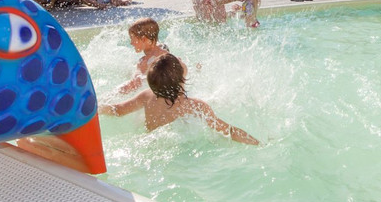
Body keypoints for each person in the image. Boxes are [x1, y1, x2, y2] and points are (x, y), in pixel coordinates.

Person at [99, 53, 260, 143]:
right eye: (180, 61)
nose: (182, 59)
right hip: (178, 149)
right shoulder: (194, 105)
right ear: (182, 76)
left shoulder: (147, 95)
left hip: (149, 141)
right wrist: (256, 142)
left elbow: (117, 110)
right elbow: (228, 131)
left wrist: (95, 107)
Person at [116, 17, 177, 94]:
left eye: (132, 39)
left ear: (144, 39)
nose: (131, 43)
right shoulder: (148, 57)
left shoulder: (157, 56)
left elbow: (135, 84)